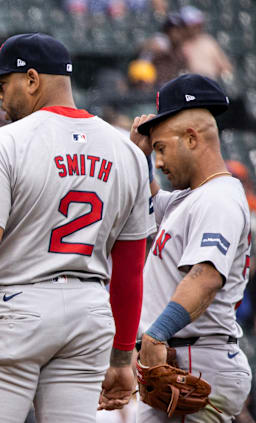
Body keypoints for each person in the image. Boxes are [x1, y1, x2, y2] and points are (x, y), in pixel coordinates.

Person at [0, 33, 156, 422]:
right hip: (88, 313)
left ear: (31, 80)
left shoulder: (5, 142)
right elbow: (130, 267)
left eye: (2, 83)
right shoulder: (127, 151)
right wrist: (123, 356)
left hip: (16, 309)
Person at [132, 74, 252, 422]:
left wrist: (156, 335)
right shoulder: (189, 199)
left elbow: (205, 278)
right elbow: (148, 202)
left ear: (191, 138)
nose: (157, 161)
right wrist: (138, 154)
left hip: (195, 359)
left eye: (161, 148)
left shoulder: (218, 199)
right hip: (188, 355)